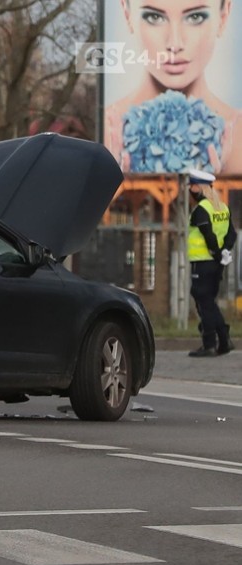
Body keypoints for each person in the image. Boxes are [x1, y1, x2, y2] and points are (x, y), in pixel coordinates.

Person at [105, 0, 242, 174]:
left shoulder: (239, 136)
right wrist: (123, 188)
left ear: (224, 15)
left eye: (195, 17)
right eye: (154, 17)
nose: (174, 44)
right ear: (127, 13)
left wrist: (209, 191)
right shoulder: (102, 133)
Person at [187, 168, 237, 357]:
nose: (190, 190)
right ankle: (223, 341)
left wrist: (217, 253)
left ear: (199, 188)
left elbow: (208, 236)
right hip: (216, 265)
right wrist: (224, 252)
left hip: (202, 263)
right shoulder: (222, 208)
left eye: (192, 186)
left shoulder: (201, 210)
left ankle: (210, 344)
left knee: (204, 303)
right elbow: (231, 233)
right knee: (209, 301)